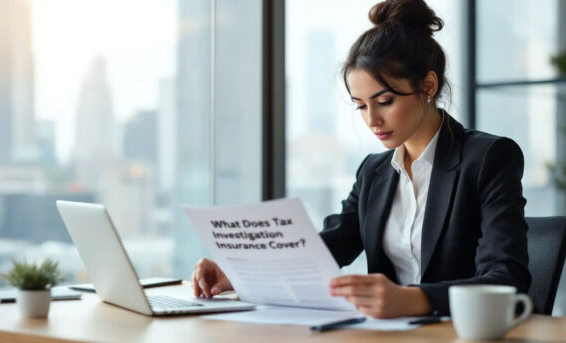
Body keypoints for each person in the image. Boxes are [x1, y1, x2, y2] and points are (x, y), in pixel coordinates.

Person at [190, 0, 531, 318]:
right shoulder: (375, 172)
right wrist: (236, 269)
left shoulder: (488, 158)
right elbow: (328, 248)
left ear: (428, 85)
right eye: (361, 105)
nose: (372, 120)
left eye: (384, 101)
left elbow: (506, 277)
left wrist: (412, 299)